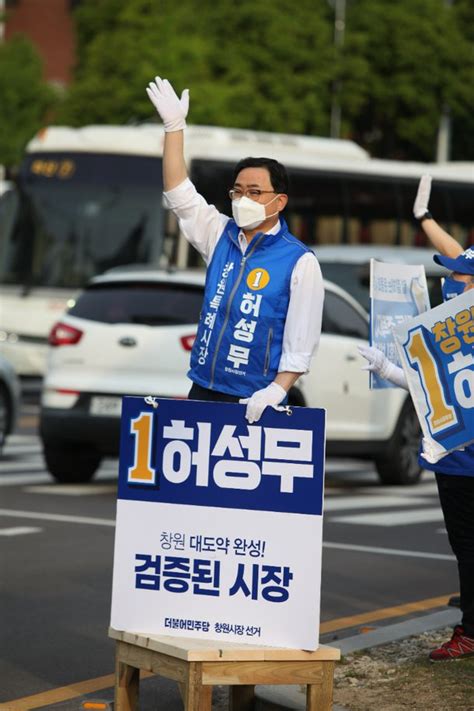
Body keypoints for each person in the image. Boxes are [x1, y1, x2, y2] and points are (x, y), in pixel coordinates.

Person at [146, 77, 324, 423]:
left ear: (279, 201)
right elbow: (179, 193)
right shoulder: (219, 233)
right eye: (238, 191)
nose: (244, 200)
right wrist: (174, 128)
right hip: (202, 386)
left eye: (255, 192)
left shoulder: (299, 261)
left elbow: (301, 341)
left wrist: (277, 389)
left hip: (255, 398)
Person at [359, 175, 474, 661]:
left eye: (459, 278)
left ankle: (470, 628)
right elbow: (434, 385)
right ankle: (470, 624)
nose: (449, 283)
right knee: (464, 547)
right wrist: (390, 369)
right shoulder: (451, 331)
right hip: (452, 459)